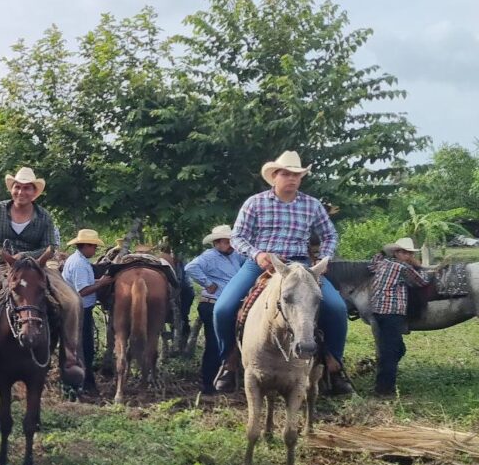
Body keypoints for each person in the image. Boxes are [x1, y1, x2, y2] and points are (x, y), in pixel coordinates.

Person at [212, 151, 352, 394]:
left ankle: (334, 365)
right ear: (274, 176)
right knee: (223, 308)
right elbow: (238, 237)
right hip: (261, 262)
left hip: (300, 266)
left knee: (336, 308)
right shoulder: (255, 203)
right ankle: (229, 361)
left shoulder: (311, 205)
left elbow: (330, 234)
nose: (292, 179)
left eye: (297, 175)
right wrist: (257, 254)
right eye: (286, 174)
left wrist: (324, 258)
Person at [0, 167, 86, 385]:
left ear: (34, 192)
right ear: (12, 189)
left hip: (38, 268)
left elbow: (52, 245)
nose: (21, 192)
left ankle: (71, 356)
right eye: (17, 187)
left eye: (26, 188)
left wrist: (27, 255)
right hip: (4, 267)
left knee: (72, 300)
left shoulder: (43, 216)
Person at [183, 225, 245, 395]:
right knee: (214, 343)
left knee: (231, 342)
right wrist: (208, 283)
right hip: (213, 303)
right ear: (217, 243)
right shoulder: (209, 256)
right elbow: (190, 268)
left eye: (231, 242)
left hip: (231, 303)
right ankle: (208, 383)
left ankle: (227, 378)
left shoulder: (235, 256)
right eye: (226, 242)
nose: (230, 245)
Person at [368, 237, 430, 396]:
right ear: (397, 253)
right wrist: (420, 266)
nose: (407, 256)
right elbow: (422, 282)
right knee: (392, 350)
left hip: (378, 311)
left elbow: (372, 263)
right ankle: (384, 389)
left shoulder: (383, 263)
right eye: (404, 252)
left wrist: (382, 252)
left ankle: (383, 381)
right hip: (392, 313)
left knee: (392, 348)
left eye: (409, 253)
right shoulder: (403, 268)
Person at [60, 230, 115, 393]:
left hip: (80, 309)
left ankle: (83, 382)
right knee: (84, 348)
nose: (95, 250)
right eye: (93, 247)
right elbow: (82, 290)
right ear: (86, 246)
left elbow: (86, 283)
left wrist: (99, 281)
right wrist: (102, 283)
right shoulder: (79, 264)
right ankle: (82, 383)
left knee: (83, 347)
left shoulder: (79, 260)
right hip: (80, 310)